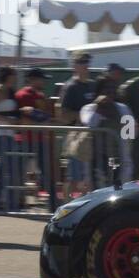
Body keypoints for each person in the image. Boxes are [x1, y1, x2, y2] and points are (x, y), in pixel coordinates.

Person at [0, 66, 25, 211]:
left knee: (4, 169)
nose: (15, 77)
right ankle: (5, 203)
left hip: (9, 133)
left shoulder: (9, 91)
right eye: (13, 74)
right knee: (8, 167)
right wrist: (7, 119)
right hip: (0, 133)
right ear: (7, 76)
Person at [15, 68, 58, 205]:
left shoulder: (40, 95)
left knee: (46, 171)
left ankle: (52, 201)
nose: (44, 81)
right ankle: (18, 200)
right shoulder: (23, 95)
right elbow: (24, 117)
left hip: (38, 139)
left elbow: (45, 116)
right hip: (26, 139)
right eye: (41, 79)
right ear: (32, 79)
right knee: (21, 171)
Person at [79, 78, 134, 183]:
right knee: (98, 189)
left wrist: (127, 163)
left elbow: (129, 136)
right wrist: (99, 108)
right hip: (96, 159)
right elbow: (89, 124)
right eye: (106, 88)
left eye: (113, 88)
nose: (110, 91)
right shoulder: (88, 108)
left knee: (116, 187)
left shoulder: (123, 109)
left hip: (115, 158)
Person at [58, 53, 96, 199]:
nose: (85, 64)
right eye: (81, 62)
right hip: (75, 136)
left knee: (88, 176)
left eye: (87, 61)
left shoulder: (92, 85)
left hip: (91, 136)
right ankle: (65, 204)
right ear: (74, 66)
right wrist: (83, 115)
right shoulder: (70, 87)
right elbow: (63, 114)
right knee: (74, 177)